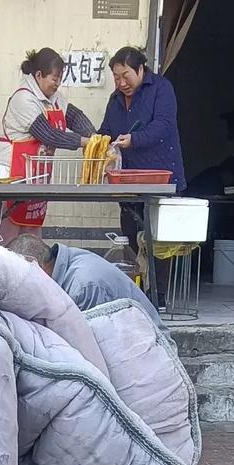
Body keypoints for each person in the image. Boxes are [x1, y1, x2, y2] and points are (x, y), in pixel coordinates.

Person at [99, 47, 185, 303]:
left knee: (158, 240)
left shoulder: (161, 89)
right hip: (128, 181)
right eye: (116, 77)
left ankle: (157, 297)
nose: (121, 83)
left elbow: (164, 125)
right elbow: (106, 130)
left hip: (162, 177)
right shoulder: (115, 99)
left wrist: (133, 139)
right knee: (130, 233)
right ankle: (135, 293)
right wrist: (102, 143)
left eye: (126, 75)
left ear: (140, 70)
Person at [0, 48, 97, 243]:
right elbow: (49, 135)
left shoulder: (54, 97)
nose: (57, 83)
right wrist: (84, 142)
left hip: (36, 177)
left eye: (60, 78)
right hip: (12, 178)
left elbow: (74, 116)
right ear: (39, 75)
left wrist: (96, 137)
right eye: (54, 78)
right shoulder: (23, 98)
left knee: (32, 239)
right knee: (8, 241)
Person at [6, 234, 162, 327]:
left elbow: (89, 350)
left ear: (36, 267)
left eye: (21, 280)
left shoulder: (83, 287)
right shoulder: (65, 262)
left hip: (149, 357)